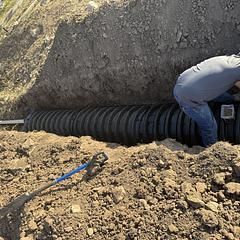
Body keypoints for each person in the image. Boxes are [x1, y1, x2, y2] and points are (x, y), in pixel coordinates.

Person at [173, 53, 240, 147]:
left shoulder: (232, 59)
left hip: (185, 81)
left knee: (226, 96)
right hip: (188, 97)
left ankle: (232, 99)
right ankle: (211, 151)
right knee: (209, 126)